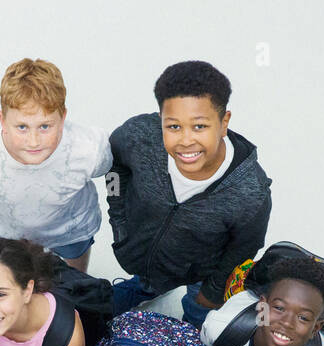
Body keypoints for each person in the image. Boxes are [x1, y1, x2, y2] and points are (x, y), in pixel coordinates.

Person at [107, 60, 271, 329]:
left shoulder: (250, 193)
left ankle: (195, 327)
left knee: (197, 322)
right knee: (144, 285)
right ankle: (144, 289)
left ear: (224, 122)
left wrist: (213, 291)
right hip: (149, 259)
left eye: (199, 127)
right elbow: (114, 168)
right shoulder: (137, 137)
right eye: (173, 126)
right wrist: (118, 219)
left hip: (201, 273)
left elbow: (243, 249)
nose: (185, 140)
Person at [0, 57, 111, 273]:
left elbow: (111, 173)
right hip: (1, 230)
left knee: (76, 275)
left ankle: (78, 289)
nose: (34, 141)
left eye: (45, 126)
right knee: (6, 274)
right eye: (22, 127)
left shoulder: (90, 149)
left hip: (70, 231)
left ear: (63, 117)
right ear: (2, 119)